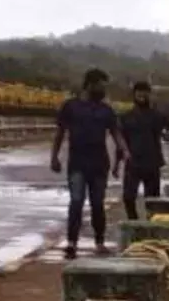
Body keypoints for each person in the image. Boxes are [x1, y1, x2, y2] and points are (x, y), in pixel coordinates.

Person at [50, 68, 127, 258]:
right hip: (77, 163)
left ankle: (99, 243)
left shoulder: (106, 110)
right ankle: (71, 243)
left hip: (100, 164)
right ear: (90, 85)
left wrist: (124, 149)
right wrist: (54, 157)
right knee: (76, 202)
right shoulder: (70, 107)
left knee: (97, 204)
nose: (103, 90)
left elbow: (116, 133)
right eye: (101, 86)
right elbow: (60, 133)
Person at [118, 81, 169, 220]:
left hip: (152, 162)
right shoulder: (126, 117)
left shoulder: (157, 115)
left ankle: (151, 227)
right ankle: (134, 222)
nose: (142, 96)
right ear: (134, 95)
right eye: (139, 93)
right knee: (128, 197)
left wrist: (168, 134)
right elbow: (121, 141)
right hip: (133, 164)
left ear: (149, 95)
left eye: (145, 93)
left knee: (153, 201)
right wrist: (115, 164)